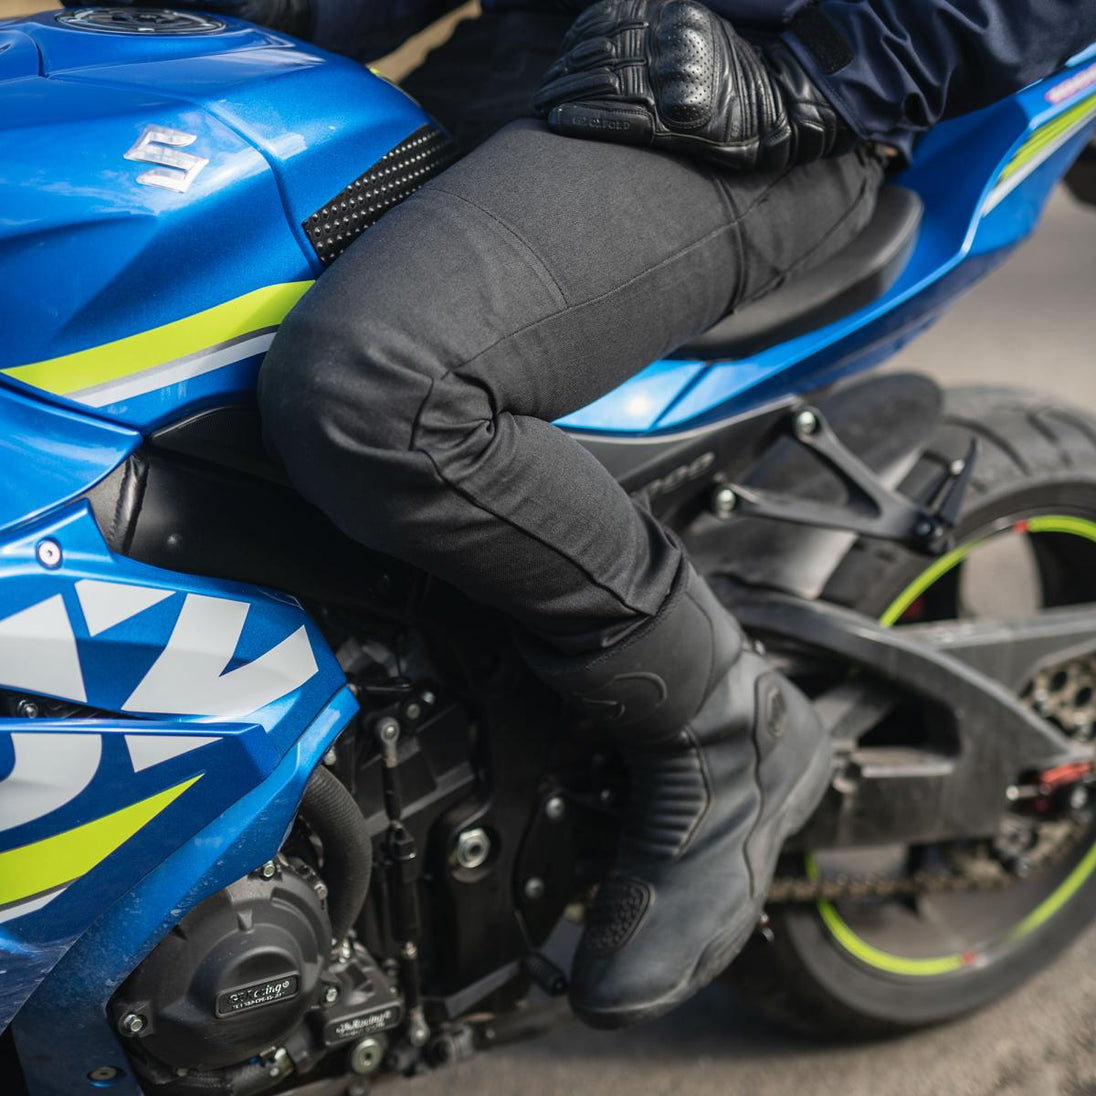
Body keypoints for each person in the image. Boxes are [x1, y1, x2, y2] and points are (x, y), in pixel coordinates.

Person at [71, 0, 1096, 1028]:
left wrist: (822, 79)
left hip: (758, 92)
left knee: (375, 385)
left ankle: (727, 728)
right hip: (556, 47)